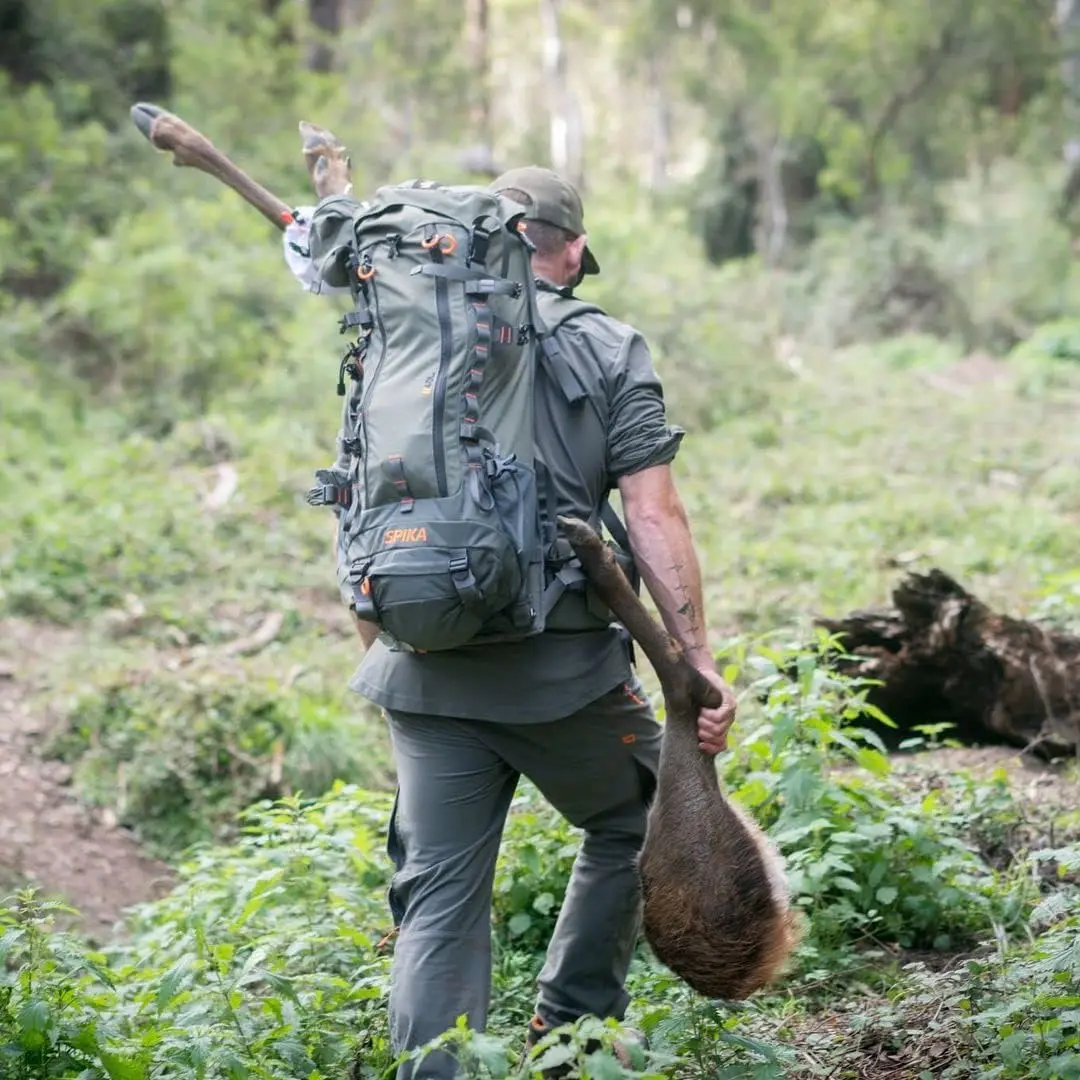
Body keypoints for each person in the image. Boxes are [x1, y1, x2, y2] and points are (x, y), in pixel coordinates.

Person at [290, 156, 737, 1078]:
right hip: (563, 679)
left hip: (421, 664)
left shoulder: (401, 337)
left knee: (440, 903)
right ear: (568, 251)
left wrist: (386, 635)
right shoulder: (608, 346)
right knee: (638, 818)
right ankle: (573, 1032)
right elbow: (655, 514)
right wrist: (694, 659)